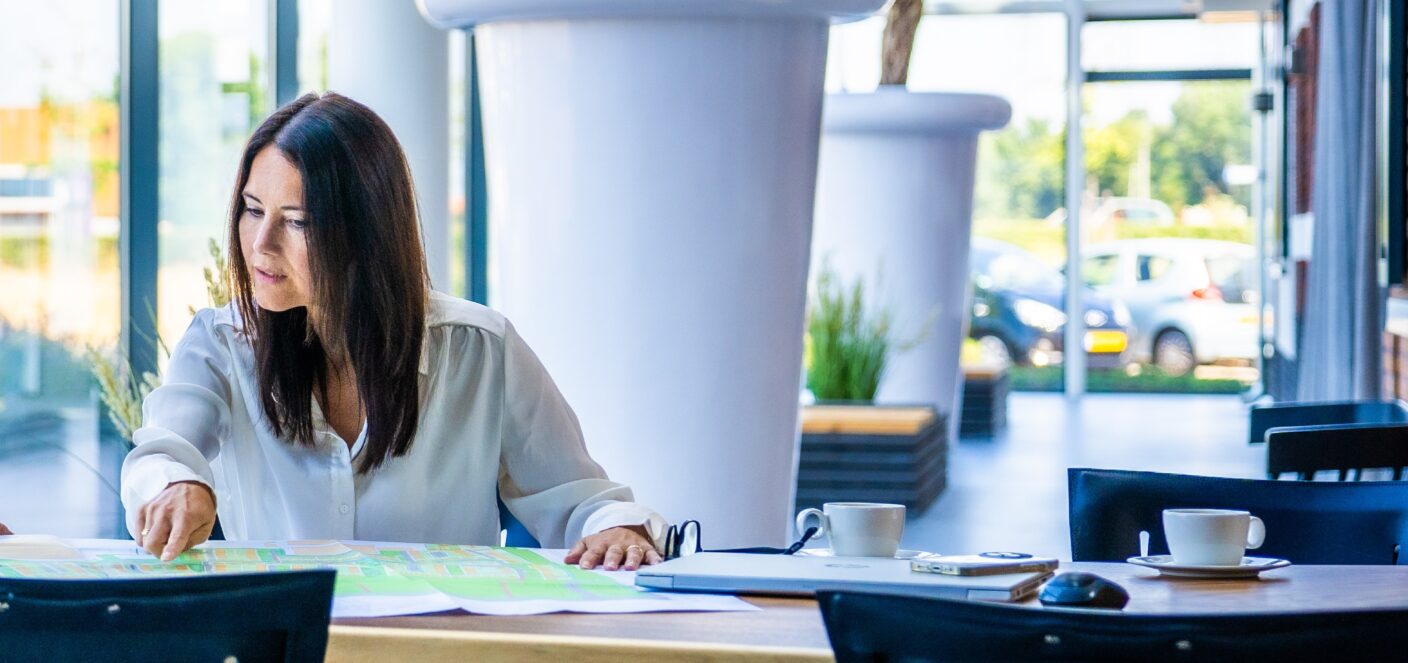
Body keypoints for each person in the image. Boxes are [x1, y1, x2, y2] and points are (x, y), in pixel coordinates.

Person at [122, 92, 664, 570]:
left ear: (366, 232)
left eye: (296, 220)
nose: (261, 243)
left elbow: (579, 500)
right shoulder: (219, 343)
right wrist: (177, 484)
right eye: (252, 209)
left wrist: (617, 528)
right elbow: (160, 453)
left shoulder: (481, 349)